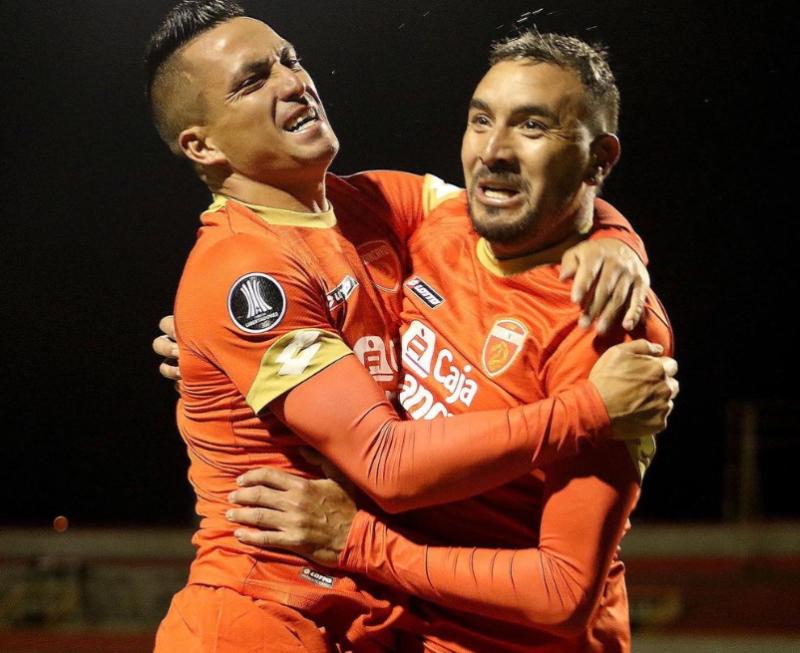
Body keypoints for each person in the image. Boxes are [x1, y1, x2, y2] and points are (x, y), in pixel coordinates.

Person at [145, 1, 676, 651]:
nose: (293, 81)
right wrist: (590, 408)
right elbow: (383, 461)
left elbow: (561, 591)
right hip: (263, 611)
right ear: (202, 145)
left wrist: (616, 239)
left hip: (397, 619)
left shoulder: (384, 210)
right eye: (254, 80)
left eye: (290, 59)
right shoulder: (249, 270)